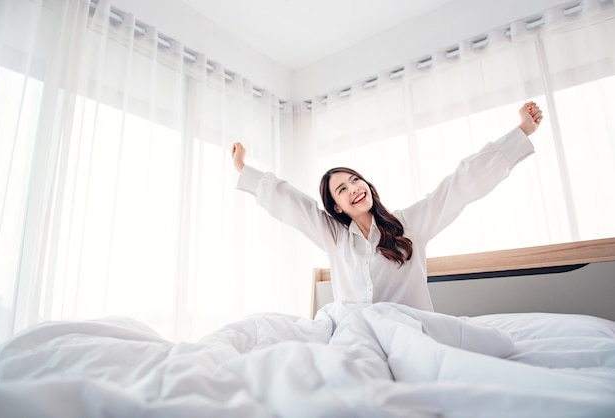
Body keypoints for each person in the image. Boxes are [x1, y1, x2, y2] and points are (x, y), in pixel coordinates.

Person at [232, 102, 543, 312]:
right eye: (342, 188)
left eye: (355, 180)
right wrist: (244, 169)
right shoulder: (334, 237)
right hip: (356, 336)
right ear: (336, 207)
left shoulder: (409, 224)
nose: (354, 187)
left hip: (408, 331)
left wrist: (521, 132)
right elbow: (292, 202)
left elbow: (459, 184)